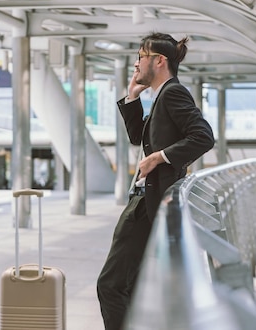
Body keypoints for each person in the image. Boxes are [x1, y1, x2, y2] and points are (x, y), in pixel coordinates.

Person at [97, 32, 215, 330]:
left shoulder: (172, 93)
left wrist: (158, 157)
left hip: (146, 205)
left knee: (110, 285)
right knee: (132, 285)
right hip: (147, 201)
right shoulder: (162, 95)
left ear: (159, 61)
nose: (135, 64)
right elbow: (139, 136)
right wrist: (132, 97)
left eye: (140, 57)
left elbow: (203, 136)